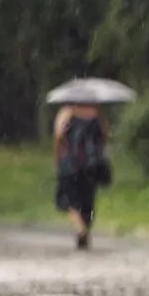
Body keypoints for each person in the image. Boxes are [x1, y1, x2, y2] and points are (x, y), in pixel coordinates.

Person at [53, 104, 111, 250]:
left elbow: (59, 135)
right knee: (87, 200)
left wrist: (58, 157)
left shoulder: (67, 113)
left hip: (71, 163)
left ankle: (80, 228)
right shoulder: (97, 113)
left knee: (66, 200)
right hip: (91, 165)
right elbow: (105, 136)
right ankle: (85, 230)